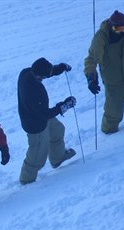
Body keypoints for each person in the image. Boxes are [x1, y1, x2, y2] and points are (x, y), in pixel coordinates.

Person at [84, 10, 124, 134]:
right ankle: (108, 132)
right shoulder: (101, 37)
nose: (122, 31)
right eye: (118, 29)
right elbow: (91, 59)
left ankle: (120, 97)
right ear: (112, 27)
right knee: (114, 113)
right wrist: (91, 77)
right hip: (113, 78)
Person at [18, 57, 77, 185]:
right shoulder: (31, 91)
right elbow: (45, 114)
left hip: (41, 116)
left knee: (57, 130)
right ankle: (26, 179)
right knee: (38, 154)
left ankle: (57, 158)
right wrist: (64, 105)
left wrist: (60, 68)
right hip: (35, 124)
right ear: (38, 75)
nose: (43, 79)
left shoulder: (27, 72)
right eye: (42, 78)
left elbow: (47, 72)